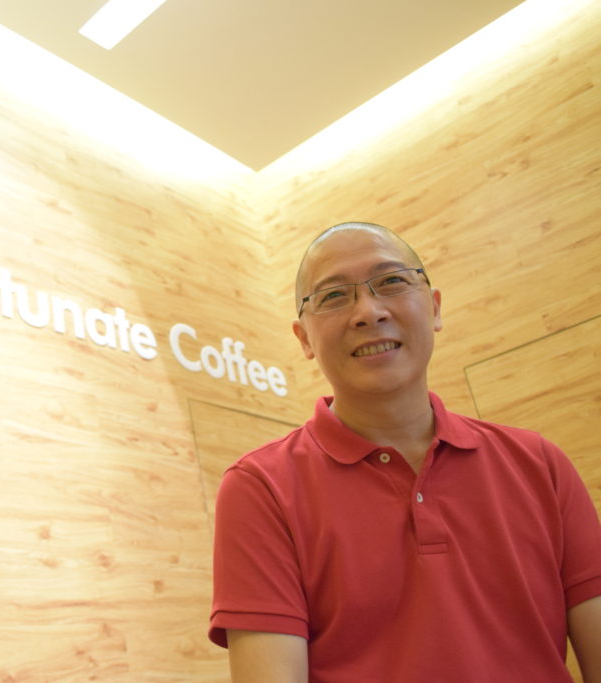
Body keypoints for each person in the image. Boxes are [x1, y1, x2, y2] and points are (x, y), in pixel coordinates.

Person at [209, 222, 601, 682]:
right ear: (304, 339)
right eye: (334, 296)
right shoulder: (260, 488)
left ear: (434, 308)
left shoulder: (540, 464)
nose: (368, 312)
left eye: (392, 281)